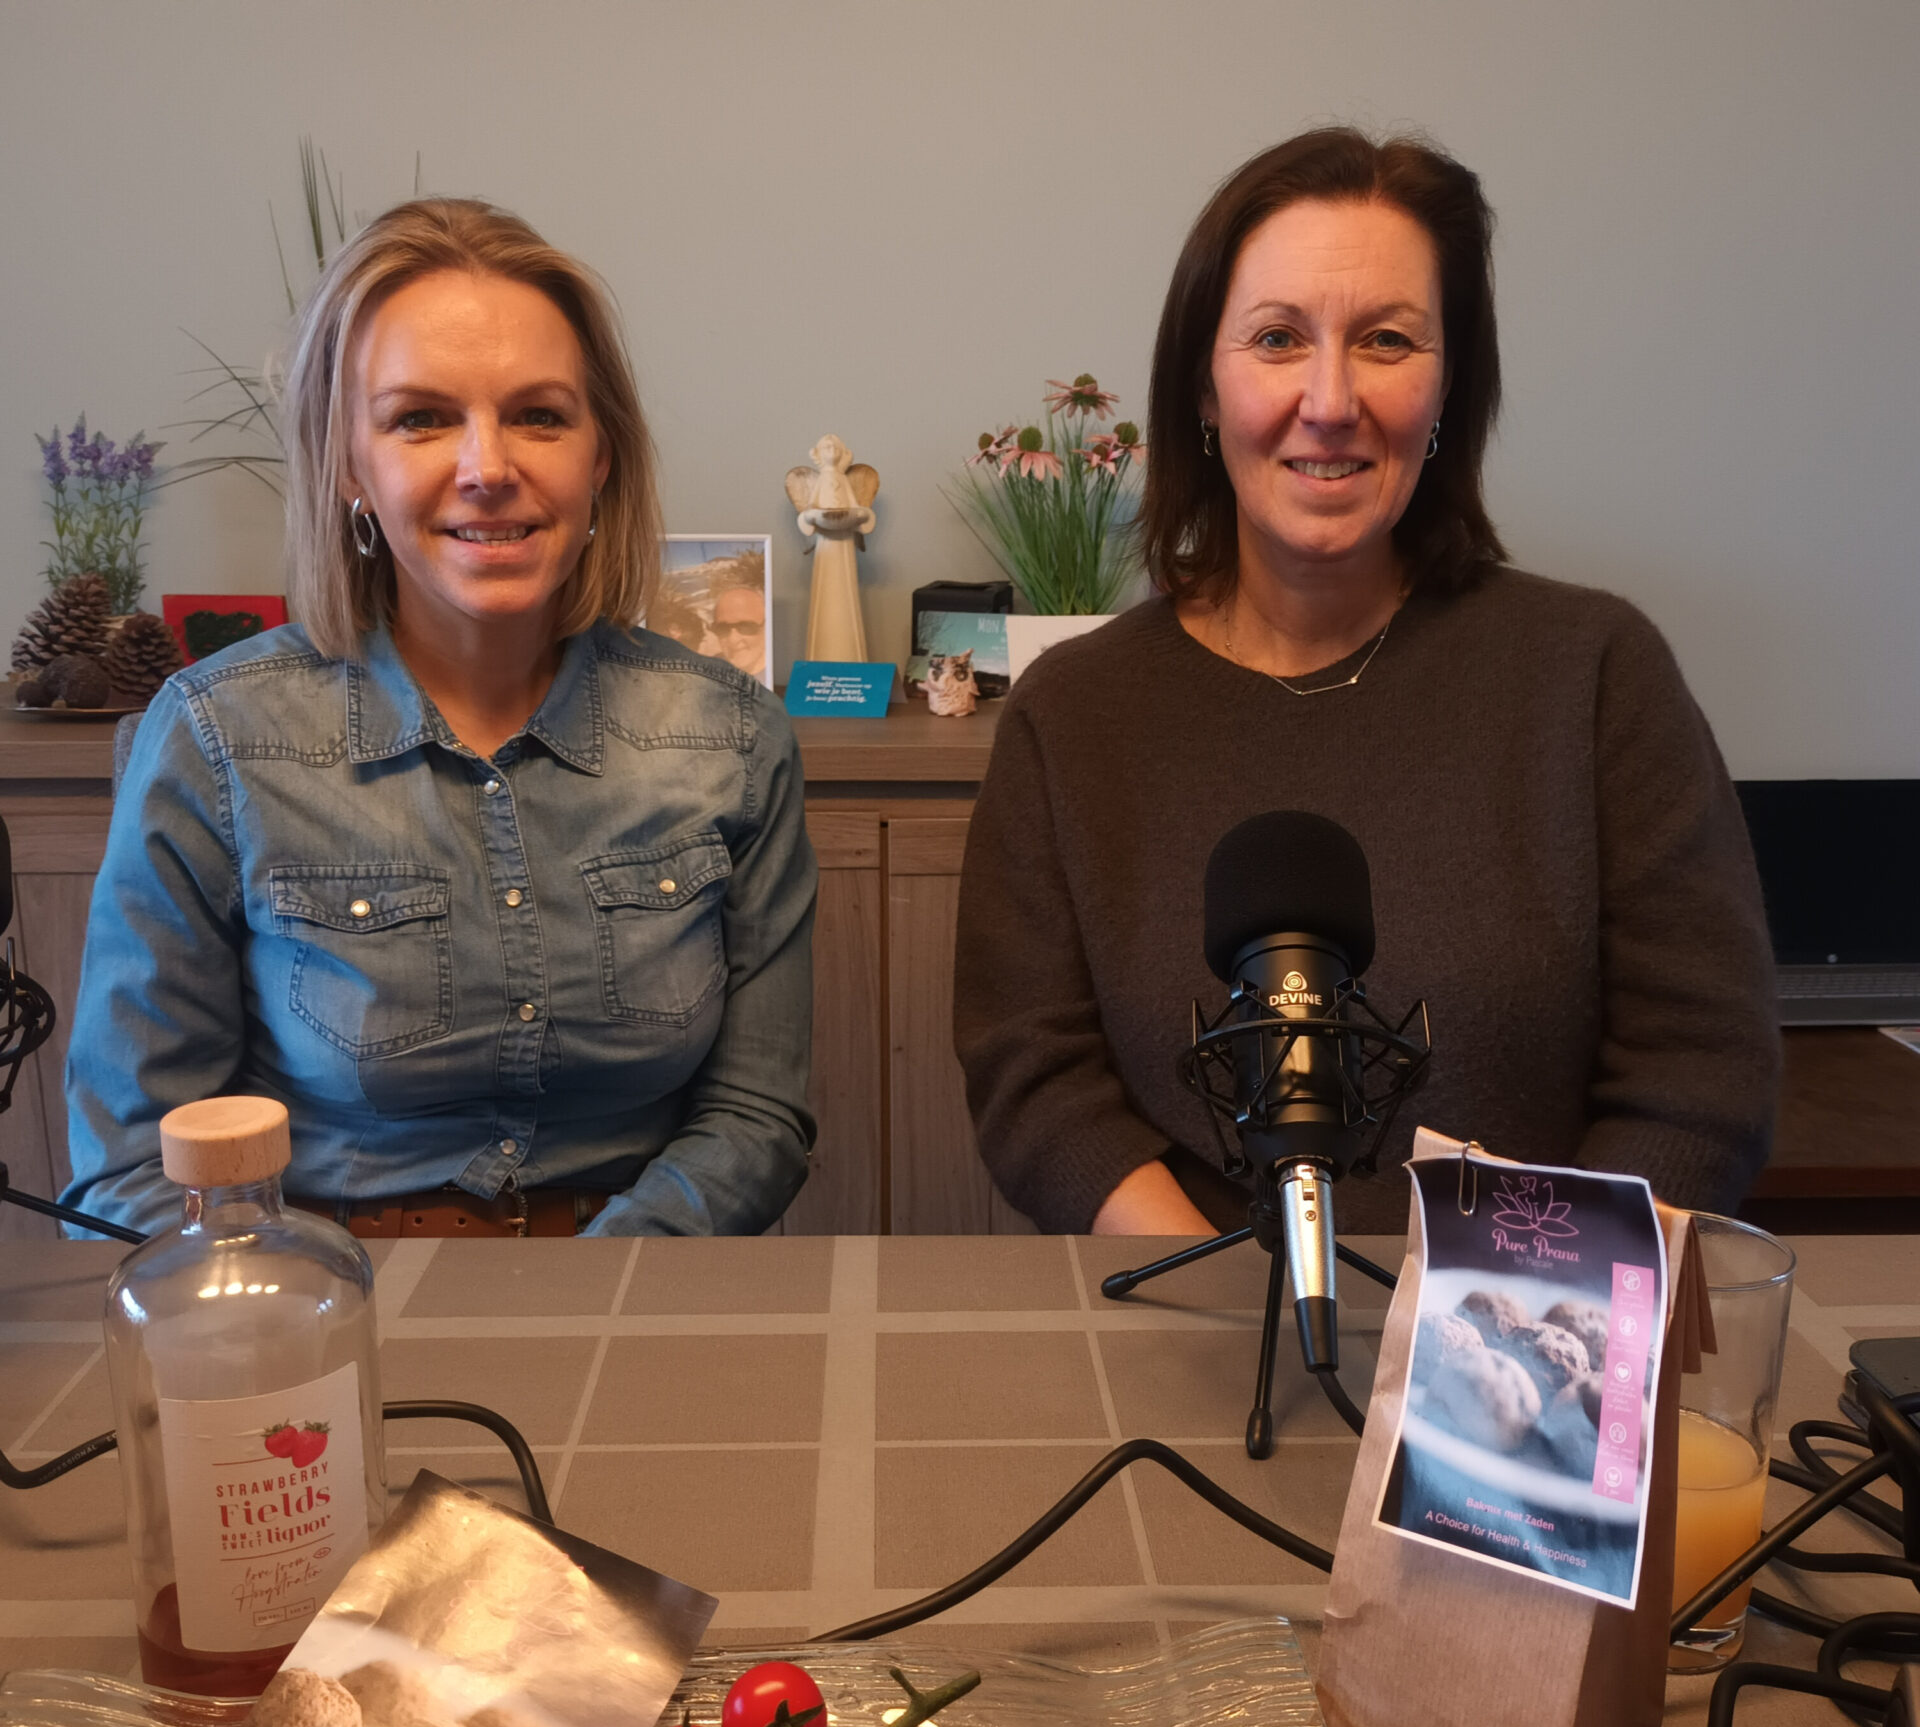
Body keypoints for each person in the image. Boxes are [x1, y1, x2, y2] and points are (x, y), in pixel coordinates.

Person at [953, 128, 1778, 1237]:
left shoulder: (1594, 676)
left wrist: (1516, 1333)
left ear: (1448, 393)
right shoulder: (1073, 713)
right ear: (1204, 384)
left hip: (1525, 1352)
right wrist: (1220, 1304)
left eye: (1387, 340)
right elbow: (1035, 1077)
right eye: (1279, 338)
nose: (1331, 400)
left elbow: (1700, 1077)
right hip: (1184, 1331)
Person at [64, 198, 816, 1238]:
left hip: (646, 1293)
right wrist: (323, 1314)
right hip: (312, 1309)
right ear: (346, 466)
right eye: (420, 417)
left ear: (601, 456)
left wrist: (596, 1296)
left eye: (540, 415)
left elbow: (756, 1117)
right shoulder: (213, 738)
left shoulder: (732, 738)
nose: (488, 467)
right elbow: (132, 1165)